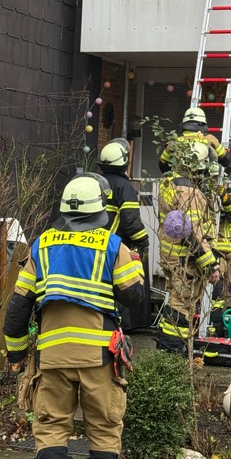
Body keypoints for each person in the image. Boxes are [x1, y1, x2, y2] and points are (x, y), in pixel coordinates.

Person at [3, 174, 145, 459]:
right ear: (100, 209)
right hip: (99, 358)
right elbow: (134, 297)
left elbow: (18, 308)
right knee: (105, 430)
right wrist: (136, 267)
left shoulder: (42, 246)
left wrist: (17, 353)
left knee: (51, 432)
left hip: (52, 359)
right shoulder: (113, 246)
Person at [156, 143, 222, 353]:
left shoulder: (168, 182)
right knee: (182, 305)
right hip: (186, 260)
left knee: (175, 299)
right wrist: (211, 264)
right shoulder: (189, 192)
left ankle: (167, 351)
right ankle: (173, 353)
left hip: (170, 255)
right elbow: (192, 233)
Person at [99, 137, 152, 330]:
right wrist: (143, 241)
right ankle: (125, 325)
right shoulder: (124, 187)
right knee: (123, 284)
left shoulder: (97, 182)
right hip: (118, 245)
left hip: (96, 243)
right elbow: (130, 220)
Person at [208, 183, 231, 337]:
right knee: (215, 294)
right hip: (212, 254)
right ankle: (213, 328)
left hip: (220, 255)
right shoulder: (220, 208)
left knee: (218, 296)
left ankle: (214, 326)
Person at [158, 107, 230, 175]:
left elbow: (163, 166)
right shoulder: (210, 139)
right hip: (203, 183)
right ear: (202, 123)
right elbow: (226, 160)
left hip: (178, 181)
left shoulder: (175, 141)